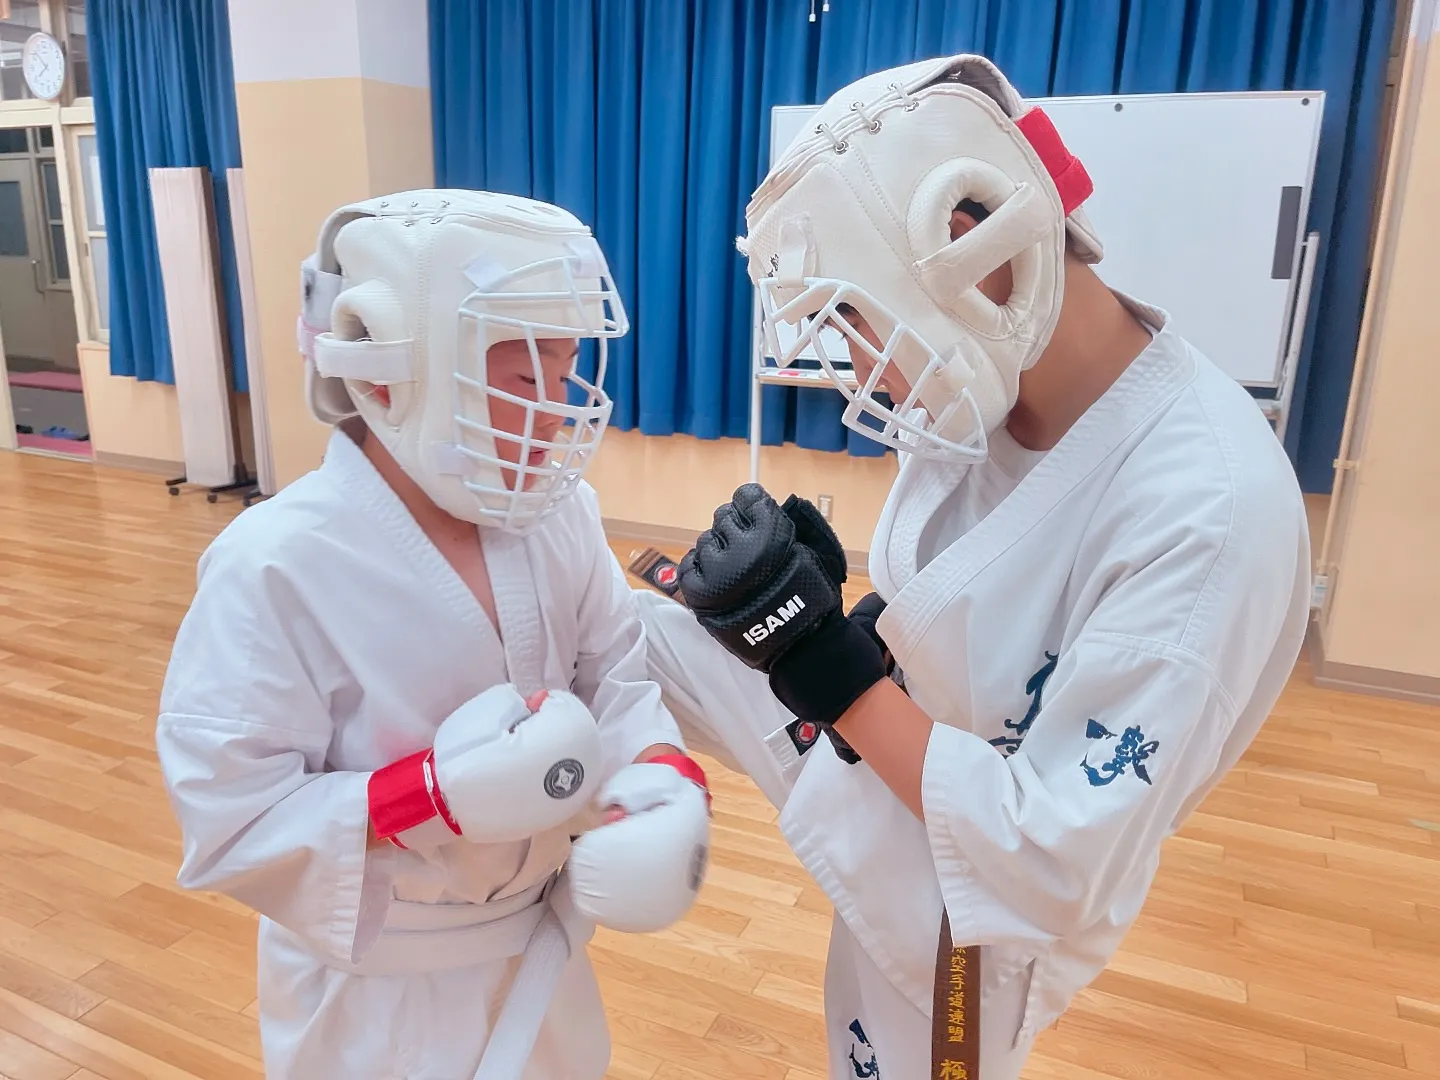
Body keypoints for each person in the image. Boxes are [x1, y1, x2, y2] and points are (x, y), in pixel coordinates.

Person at [633, 54, 1310, 1080]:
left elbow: (1046, 862)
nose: (856, 363)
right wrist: (847, 622)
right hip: (895, 770)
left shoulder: (1207, 511)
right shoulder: (984, 386)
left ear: (967, 244)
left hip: (982, 909)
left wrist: (822, 657)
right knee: (639, 631)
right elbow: (959, 610)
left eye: (853, 318)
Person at [155, 189, 713, 1080]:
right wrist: (424, 798)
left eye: (566, 374)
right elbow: (228, 817)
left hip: (540, 963)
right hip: (376, 1006)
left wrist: (659, 776)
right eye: (524, 379)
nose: (555, 413)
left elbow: (615, 676)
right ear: (384, 373)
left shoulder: (560, 516)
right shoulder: (274, 562)